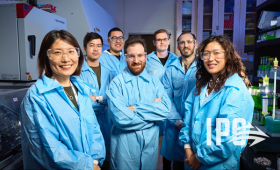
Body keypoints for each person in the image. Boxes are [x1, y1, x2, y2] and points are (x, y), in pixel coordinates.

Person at [20, 30, 105, 170]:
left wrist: (95, 160)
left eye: (71, 51)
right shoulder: (37, 96)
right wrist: (87, 165)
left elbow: (94, 129)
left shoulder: (81, 89)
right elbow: (46, 148)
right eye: (58, 52)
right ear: (46, 56)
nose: (66, 59)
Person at [179, 35, 254, 170]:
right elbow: (188, 119)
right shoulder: (202, 87)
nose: (210, 58)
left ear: (228, 56)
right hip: (192, 159)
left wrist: (199, 157)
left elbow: (227, 138)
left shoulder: (235, 90)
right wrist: (187, 147)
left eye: (217, 53)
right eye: (206, 54)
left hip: (217, 164)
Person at [106, 36, 171, 170]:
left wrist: (134, 109)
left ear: (146, 56)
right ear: (125, 57)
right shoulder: (116, 85)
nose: (136, 61)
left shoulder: (154, 83)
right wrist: (153, 116)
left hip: (149, 153)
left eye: (140, 55)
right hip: (124, 153)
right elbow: (120, 118)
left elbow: (165, 111)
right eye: (131, 56)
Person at [160, 32, 198, 170]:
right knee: (177, 163)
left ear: (195, 44)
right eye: (182, 42)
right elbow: (166, 98)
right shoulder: (170, 69)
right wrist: (177, 122)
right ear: (177, 46)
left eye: (189, 41)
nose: (185, 45)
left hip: (195, 125)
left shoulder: (204, 66)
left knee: (194, 161)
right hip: (174, 124)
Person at [79, 32, 116, 170]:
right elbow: (79, 98)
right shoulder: (78, 71)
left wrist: (97, 99)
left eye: (99, 46)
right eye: (92, 45)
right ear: (85, 48)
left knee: (107, 156)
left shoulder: (109, 72)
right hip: (86, 119)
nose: (95, 49)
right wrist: (103, 100)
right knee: (90, 158)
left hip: (107, 120)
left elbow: (113, 97)